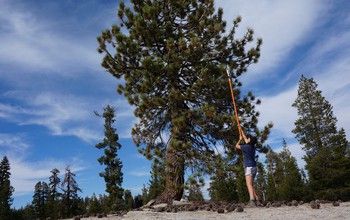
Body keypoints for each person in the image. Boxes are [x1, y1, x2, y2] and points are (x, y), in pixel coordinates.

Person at [235, 131, 262, 207]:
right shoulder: (252, 147)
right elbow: (246, 140)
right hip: (254, 167)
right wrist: (241, 131)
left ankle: (252, 201)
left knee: (249, 184)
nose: (248, 138)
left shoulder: (246, 147)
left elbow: (237, 146)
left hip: (249, 167)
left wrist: (240, 139)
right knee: (251, 184)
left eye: (249, 138)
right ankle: (257, 200)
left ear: (250, 140)